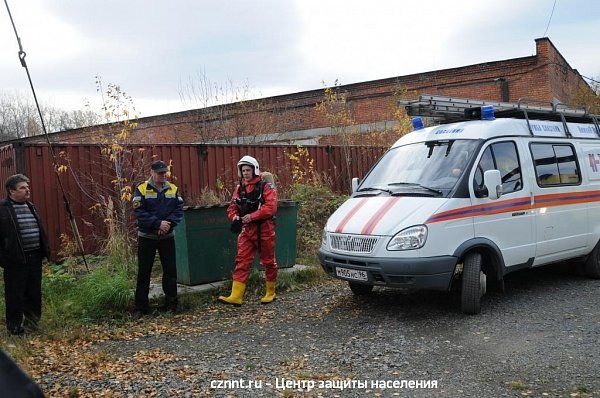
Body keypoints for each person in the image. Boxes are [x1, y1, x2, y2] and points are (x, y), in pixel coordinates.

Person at [219, 155, 278, 306]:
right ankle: (236, 295)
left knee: (268, 261)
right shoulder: (240, 188)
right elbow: (232, 207)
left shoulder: (265, 186)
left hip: (264, 229)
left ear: (255, 170)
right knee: (242, 260)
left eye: (248, 170)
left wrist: (251, 216)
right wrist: (235, 218)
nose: (245, 173)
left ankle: (270, 292)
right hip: (247, 230)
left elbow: (270, 208)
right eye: (243, 170)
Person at [0, 174, 51, 335]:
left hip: (34, 257)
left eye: (27, 187)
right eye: (23, 187)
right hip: (15, 261)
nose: (27, 190)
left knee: (34, 293)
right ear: (11, 191)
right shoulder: (3, 209)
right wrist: (4, 259)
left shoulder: (31, 206)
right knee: (15, 296)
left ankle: (33, 324)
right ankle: (15, 329)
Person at [132, 160, 184, 315]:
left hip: (167, 237)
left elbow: (179, 210)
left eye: (164, 172)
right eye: (159, 173)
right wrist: (158, 224)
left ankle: (171, 305)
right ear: (152, 173)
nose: (162, 175)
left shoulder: (173, 189)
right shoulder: (141, 189)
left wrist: (167, 225)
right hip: (147, 237)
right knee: (144, 272)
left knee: (170, 272)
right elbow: (139, 212)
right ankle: (141, 308)